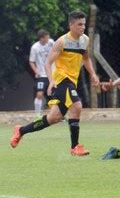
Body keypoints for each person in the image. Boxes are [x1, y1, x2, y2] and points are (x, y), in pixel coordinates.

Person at [10, 10, 100, 156]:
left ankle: (21, 130)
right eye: (79, 24)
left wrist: (93, 74)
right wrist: (51, 81)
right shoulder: (62, 41)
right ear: (71, 25)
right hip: (62, 79)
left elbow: (86, 58)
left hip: (72, 80)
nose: (82, 27)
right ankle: (75, 146)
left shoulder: (85, 40)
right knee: (77, 106)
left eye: (84, 24)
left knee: (54, 118)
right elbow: (48, 63)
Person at [29, 29, 54, 116]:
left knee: (56, 95)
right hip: (42, 75)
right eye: (47, 37)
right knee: (39, 94)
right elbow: (31, 61)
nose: (48, 39)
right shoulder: (35, 47)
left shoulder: (51, 42)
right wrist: (36, 70)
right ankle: (37, 115)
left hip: (52, 74)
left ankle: (58, 115)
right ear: (41, 38)